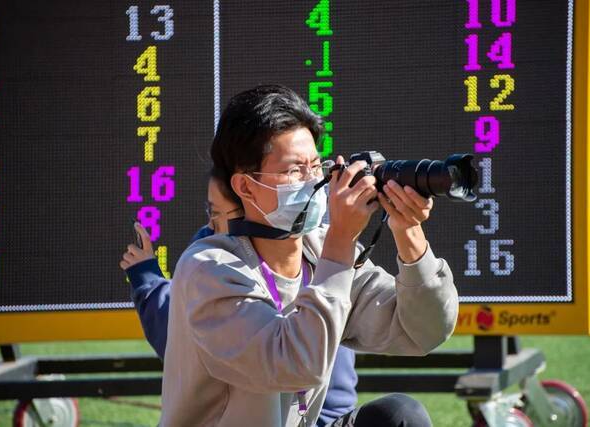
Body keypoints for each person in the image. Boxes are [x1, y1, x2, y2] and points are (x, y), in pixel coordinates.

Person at [161, 85, 458, 427]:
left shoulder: (318, 248)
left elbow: (422, 331)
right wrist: (341, 241)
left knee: (399, 417)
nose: (312, 181)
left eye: (316, 166)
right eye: (293, 170)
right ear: (245, 187)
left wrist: (408, 233)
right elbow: (295, 365)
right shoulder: (209, 269)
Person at [119, 172, 358, 426]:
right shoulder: (320, 240)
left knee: (395, 412)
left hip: (308, 415)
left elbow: (178, 338)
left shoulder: (217, 255)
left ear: (249, 199)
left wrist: (147, 279)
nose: (211, 225)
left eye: (216, 212)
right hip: (329, 414)